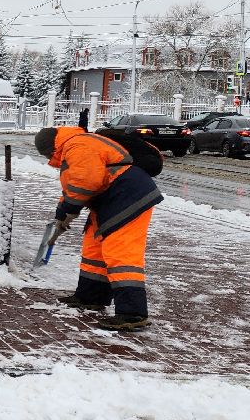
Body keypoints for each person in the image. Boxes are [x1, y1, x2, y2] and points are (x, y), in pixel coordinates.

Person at [33, 126, 163, 332]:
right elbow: (73, 185)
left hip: (127, 196)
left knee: (121, 253)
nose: (49, 159)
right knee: (94, 247)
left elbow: (86, 181)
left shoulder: (78, 145)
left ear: (52, 148)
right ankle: (91, 296)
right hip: (109, 200)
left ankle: (132, 313)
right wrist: (61, 214)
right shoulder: (74, 146)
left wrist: (71, 209)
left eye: (47, 154)